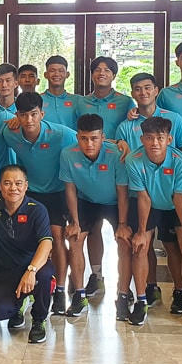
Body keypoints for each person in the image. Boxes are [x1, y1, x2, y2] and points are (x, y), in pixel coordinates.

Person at [115, 72, 182, 313]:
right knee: (142, 244)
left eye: (148, 87)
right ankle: (147, 291)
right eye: (138, 89)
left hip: (172, 193)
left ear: (156, 90)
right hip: (143, 193)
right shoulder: (127, 125)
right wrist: (140, 230)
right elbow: (120, 151)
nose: (143, 93)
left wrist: (175, 174)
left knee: (175, 245)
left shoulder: (174, 120)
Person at [2, 92, 77, 315]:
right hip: (30, 193)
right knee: (27, 240)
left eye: (34, 114)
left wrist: (118, 143)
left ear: (42, 114)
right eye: (23, 115)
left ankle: (60, 289)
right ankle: (30, 287)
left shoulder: (61, 133)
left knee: (56, 238)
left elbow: (87, 140)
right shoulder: (10, 133)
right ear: (17, 115)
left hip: (56, 193)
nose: (29, 120)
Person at [59, 114, 127, 317]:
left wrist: (122, 223)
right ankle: (81, 294)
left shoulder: (116, 154)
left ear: (103, 137)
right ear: (77, 137)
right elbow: (70, 190)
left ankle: (124, 293)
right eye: (84, 138)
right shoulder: (68, 154)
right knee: (75, 238)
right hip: (86, 200)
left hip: (114, 202)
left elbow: (122, 191)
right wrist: (75, 221)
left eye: (94, 138)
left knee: (124, 240)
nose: (89, 144)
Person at [0, 165, 55, 343]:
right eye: (7, 183)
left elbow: (46, 242)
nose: (13, 188)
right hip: (6, 270)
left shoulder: (37, 209)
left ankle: (39, 320)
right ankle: (19, 303)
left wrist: (31, 270)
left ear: (26, 186)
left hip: (34, 267)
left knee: (44, 276)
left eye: (18, 183)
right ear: (0, 186)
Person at [75, 56, 133, 138]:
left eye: (107, 70)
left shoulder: (126, 102)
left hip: (117, 146)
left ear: (114, 76)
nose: (101, 73)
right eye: (97, 70)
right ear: (92, 75)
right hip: (88, 146)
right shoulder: (81, 102)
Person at [40, 55, 80, 128]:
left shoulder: (78, 100)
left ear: (67, 74)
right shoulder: (37, 100)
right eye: (52, 71)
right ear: (46, 75)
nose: (56, 74)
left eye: (61, 71)